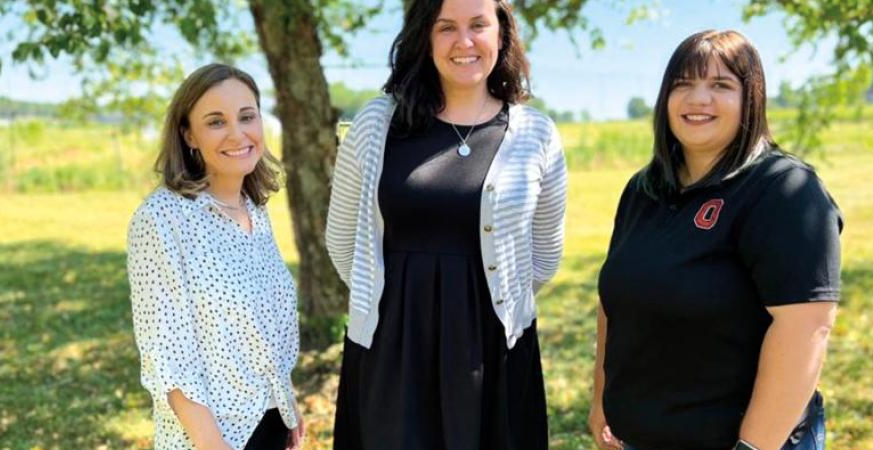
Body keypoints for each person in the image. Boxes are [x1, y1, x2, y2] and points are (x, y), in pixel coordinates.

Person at [325, 0, 567, 448]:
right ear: (424, 37)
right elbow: (342, 240)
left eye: (478, 25)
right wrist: (391, 305)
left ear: (502, 34)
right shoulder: (376, 124)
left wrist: (482, 305)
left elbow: (544, 254)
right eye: (446, 28)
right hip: (392, 344)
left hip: (494, 346)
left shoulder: (536, 134)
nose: (464, 41)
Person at [590, 30, 841, 450]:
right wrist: (601, 401)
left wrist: (752, 447)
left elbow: (806, 328)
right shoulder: (643, 190)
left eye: (720, 85)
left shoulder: (784, 190)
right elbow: (612, 302)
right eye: (683, 84)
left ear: (751, 99)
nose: (697, 99)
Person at [127, 63, 305, 450]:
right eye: (216, 122)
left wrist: (286, 399)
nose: (237, 134)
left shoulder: (254, 210)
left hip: (273, 423)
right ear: (189, 134)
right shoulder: (162, 219)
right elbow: (167, 356)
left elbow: (264, 325)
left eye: (247, 117)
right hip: (211, 438)